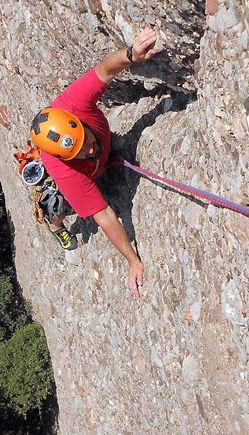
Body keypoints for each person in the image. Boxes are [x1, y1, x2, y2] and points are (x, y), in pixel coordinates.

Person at [30, 27, 159, 297]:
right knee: (62, 202)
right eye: (80, 152)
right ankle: (54, 224)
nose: (89, 148)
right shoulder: (64, 169)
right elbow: (104, 214)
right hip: (79, 178)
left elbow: (105, 70)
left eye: (86, 140)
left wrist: (131, 54)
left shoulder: (74, 104)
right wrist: (132, 260)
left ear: (78, 122)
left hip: (103, 160)